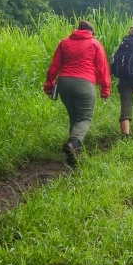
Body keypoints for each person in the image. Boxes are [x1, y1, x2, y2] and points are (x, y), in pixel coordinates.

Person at [44, 19, 111, 166]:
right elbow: (103, 68)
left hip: (64, 83)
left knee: (74, 117)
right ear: (91, 32)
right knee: (85, 118)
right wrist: (105, 90)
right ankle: (73, 144)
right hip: (85, 83)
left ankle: (74, 155)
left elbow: (54, 67)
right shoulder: (94, 43)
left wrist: (49, 85)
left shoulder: (64, 43)